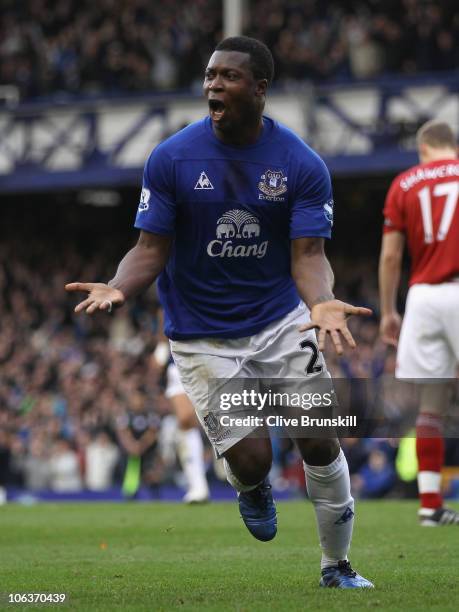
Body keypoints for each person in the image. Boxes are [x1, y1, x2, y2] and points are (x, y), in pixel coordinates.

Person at [66, 36, 373, 588]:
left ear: (259, 90)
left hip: (281, 321)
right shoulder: (172, 157)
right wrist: (118, 286)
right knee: (253, 460)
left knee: (320, 436)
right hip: (202, 334)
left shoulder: (301, 164)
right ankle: (251, 485)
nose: (213, 84)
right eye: (209, 75)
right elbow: (149, 249)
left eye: (228, 76)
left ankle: (338, 566)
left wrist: (321, 302)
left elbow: (309, 256)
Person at [379, 119, 459, 526]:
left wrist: (390, 310)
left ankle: (430, 504)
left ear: (424, 148)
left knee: (432, 406)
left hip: (423, 296)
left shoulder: (405, 183)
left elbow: (392, 256)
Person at [152, 309, 210, 504]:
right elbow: (164, 321)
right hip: (178, 362)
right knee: (185, 420)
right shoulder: (168, 294)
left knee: (221, 418)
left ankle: (241, 477)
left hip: (211, 356)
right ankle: (198, 486)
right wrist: (160, 352)